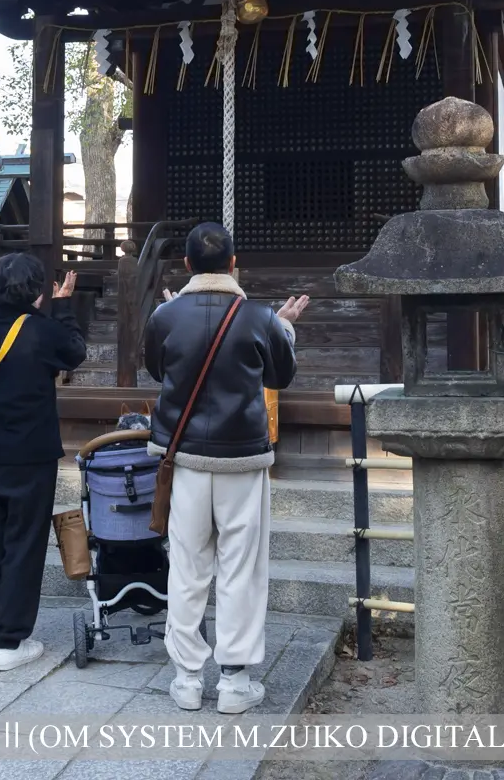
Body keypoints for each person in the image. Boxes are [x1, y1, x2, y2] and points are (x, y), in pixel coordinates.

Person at [145, 223, 308, 714]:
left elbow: (159, 370)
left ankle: (188, 677)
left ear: (188, 266)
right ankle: (235, 681)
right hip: (242, 457)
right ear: (234, 264)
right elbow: (282, 375)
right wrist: (283, 325)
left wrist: (172, 313)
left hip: (186, 457)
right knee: (241, 566)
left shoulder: (165, 316)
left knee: (188, 564)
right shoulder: (257, 317)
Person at [0, 252, 84, 672]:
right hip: (30, 455)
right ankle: (11, 640)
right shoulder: (42, 331)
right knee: (23, 544)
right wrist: (65, 305)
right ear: (37, 291)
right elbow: (74, 353)